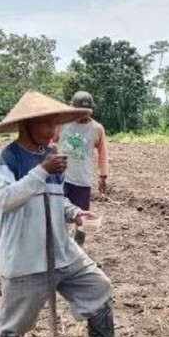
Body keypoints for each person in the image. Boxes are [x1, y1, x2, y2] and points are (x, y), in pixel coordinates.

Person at [0, 90, 146, 337]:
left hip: (61, 248)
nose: (52, 131)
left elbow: (56, 202)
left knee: (97, 285)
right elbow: (6, 200)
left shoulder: (52, 156)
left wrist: (75, 214)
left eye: (54, 124)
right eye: (46, 124)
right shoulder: (5, 158)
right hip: (25, 254)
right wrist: (41, 171)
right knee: (13, 319)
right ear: (27, 124)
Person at [54, 91, 108, 246]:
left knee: (82, 220)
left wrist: (103, 175)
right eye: (79, 112)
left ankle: (78, 248)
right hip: (61, 178)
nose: (82, 115)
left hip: (83, 181)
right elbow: (50, 141)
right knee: (58, 213)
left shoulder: (96, 128)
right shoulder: (62, 124)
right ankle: (59, 246)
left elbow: (103, 152)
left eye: (86, 112)